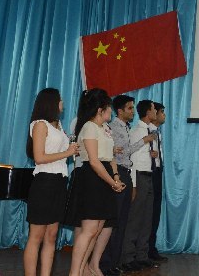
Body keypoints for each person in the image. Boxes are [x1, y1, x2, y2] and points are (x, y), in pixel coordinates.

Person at [69, 88, 125, 276]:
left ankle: (83, 270)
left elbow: (110, 157)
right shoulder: (89, 127)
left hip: (105, 176)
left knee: (97, 228)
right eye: (109, 107)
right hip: (92, 178)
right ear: (100, 109)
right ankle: (74, 272)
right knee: (89, 229)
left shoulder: (105, 128)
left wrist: (115, 177)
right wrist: (111, 182)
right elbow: (93, 161)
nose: (111, 111)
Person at [23, 88, 78, 276]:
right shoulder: (40, 124)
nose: (63, 103)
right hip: (44, 182)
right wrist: (67, 153)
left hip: (60, 182)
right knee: (36, 236)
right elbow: (39, 157)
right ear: (51, 102)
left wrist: (71, 150)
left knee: (52, 235)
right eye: (60, 100)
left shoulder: (59, 125)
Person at [98, 95, 150, 274]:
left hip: (126, 172)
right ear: (119, 111)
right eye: (129, 108)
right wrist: (143, 141)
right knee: (113, 220)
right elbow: (122, 152)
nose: (133, 111)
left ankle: (115, 262)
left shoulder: (126, 128)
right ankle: (105, 264)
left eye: (133, 108)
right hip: (117, 172)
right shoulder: (113, 128)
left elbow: (125, 153)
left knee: (122, 221)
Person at [120, 100, 159, 273]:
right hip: (139, 177)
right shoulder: (137, 132)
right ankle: (128, 257)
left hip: (149, 176)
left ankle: (142, 255)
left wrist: (153, 155)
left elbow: (144, 155)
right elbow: (131, 158)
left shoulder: (152, 131)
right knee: (135, 219)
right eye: (154, 110)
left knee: (146, 218)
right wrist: (134, 184)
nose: (155, 113)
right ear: (147, 113)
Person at [147, 102, 168, 262]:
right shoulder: (145, 131)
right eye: (161, 112)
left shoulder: (157, 132)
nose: (163, 115)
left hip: (157, 172)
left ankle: (151, 248)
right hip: (148, 174)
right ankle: (145, 249)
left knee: (155, 212)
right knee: (149, 213)